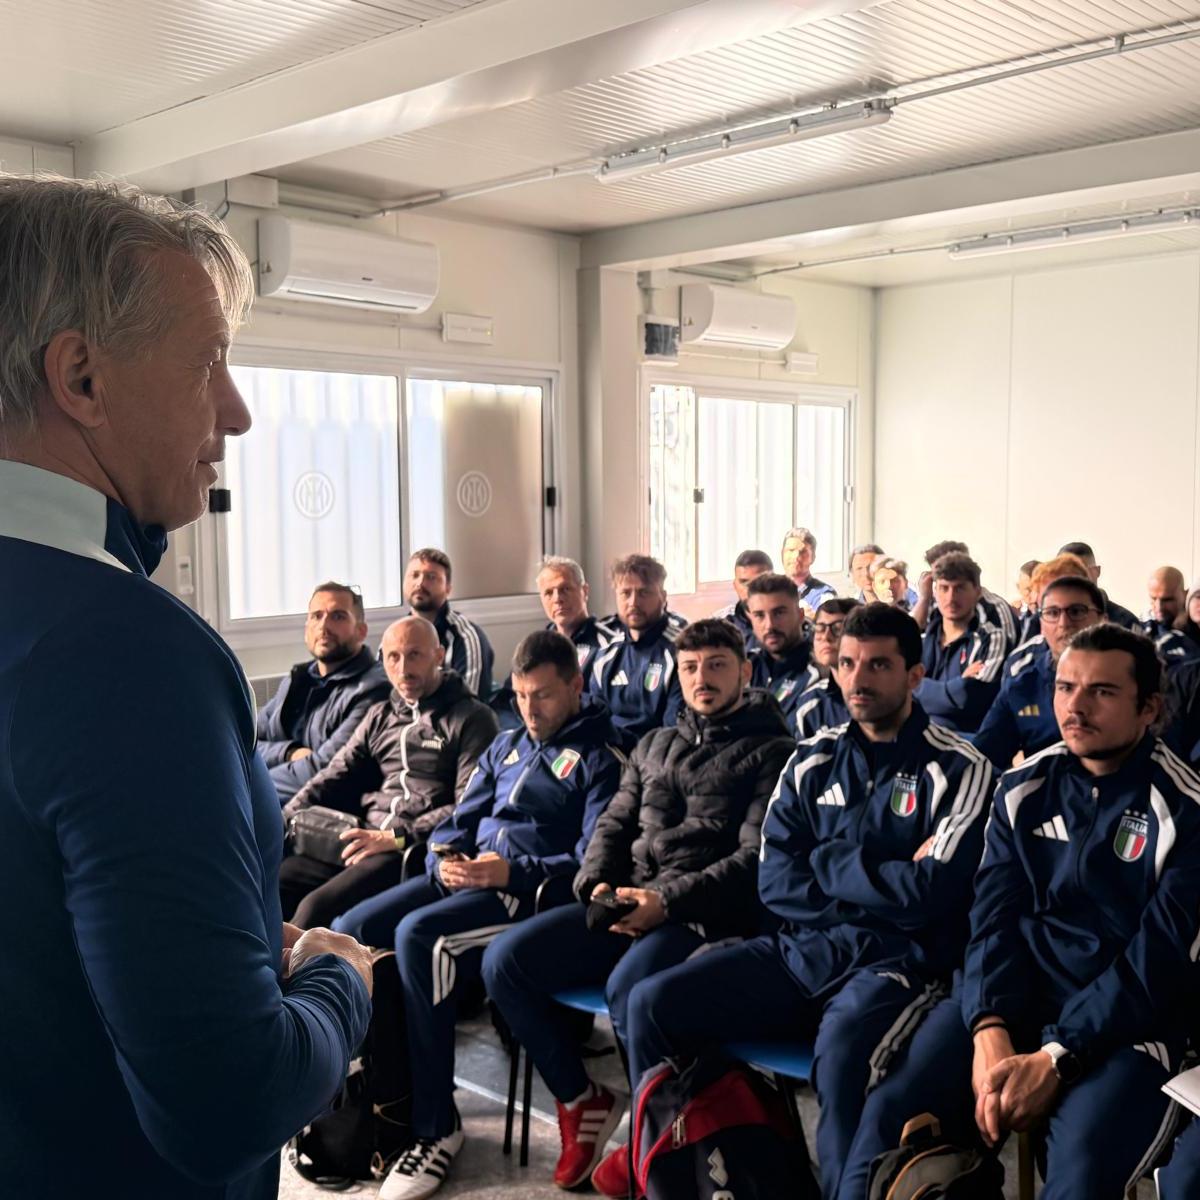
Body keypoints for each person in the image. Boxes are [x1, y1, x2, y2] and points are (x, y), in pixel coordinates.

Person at [0, 176, 372, 1199]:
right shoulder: (122, 650)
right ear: (80, 376)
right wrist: (338, 980)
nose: (238, 410)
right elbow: (226, 1103)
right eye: (209, 359)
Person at [620, 605, 995, 1200]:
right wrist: (879, 878)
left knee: (845, 1058)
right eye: (847, 663)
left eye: (878, 665)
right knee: (653, 1003)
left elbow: (932, 895)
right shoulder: (812, 757)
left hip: (893, 963)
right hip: (799, 952)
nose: (858, 679)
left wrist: (827, 860)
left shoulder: (962, 767)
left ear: (916, 674)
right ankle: (695, 1178)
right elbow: (774, 881)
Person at [840, 624, 1200, 1200]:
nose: (1074, 706)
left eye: (1102, 692)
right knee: (890, 1116)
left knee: (1082, 1163)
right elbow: (990, 921)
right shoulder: (1021, 786)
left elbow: (1155, 963)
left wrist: (1058, 1057)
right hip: (1010, 1003)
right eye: (1064, 687)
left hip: (1124, 1028)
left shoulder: (1185, 808)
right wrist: (989, 1030)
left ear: (1149, 708)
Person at [482, 619, 794, 1195]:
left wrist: (666, 901)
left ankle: (651, 1140)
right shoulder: (654, 743)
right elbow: (613, 823)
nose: (703, 678)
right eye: (691, 667)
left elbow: (753, 861)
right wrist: (595, 884)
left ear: (745, 672)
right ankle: (582, 1099)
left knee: (630, 989)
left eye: (718, 665)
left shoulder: (773, 751)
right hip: (629, 897)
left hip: (704, 912)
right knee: (506, 961)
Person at [333, 630, 625, 1199]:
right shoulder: (508, 744)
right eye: (519, 695)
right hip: (465, 876)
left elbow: (592, 863)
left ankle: (435, 1127)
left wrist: (510, 872)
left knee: (423, 938)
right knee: (354, 929)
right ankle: (389, 1097)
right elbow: (458, 818)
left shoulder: (600, 758)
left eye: (542, 695)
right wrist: (444, 857)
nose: (529, 709)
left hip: (526, 893)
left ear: (575, 686)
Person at [279, 616, 498, 928]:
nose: (404, 668)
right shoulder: (379, 715)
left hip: (408, 849)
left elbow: (468, 805)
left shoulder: (473, 718)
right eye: (394, 657)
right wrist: (285, 816)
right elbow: (335, 773)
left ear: (438, 656)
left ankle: (297, 977)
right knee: (275, 882)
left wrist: (395, 837)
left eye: (415, 655)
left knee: (315, 908)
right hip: (360, 837)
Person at [255, 581, 390, 803]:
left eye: (338, 616)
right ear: (306, 627)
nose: (324, 626)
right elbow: (248, 743)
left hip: (325, 810)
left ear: (361, 631)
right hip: (275, 802)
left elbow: (324, 769)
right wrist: (288, 752)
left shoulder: (373, 689)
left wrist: (250, 785)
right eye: (316, 616)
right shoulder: (296, 680)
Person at [973, 576, 1106, 770]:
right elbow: (984, 758)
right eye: (1052, 613)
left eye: (1076, 612)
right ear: (1041, 624)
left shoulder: (1127, 679)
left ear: (1102, 620)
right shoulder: (1023, 685)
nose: (1063, 623)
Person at [489, 555, 617, 730]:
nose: (557, 598)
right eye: (549, 593)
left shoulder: (610, 647)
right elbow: (504, 702)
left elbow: (604, 710)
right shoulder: (534, 646)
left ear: (585, 591)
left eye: (565, 589)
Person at [587, 554, 683, 748]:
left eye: (644, 593)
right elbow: (594, 720)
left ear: (663, 597)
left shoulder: (681, 651)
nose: (633, 602)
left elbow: (674, 732)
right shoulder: (605, 654)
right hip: (610, 756)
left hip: (657, 759)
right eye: (625, 593)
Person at [915, 552, 1008, 733]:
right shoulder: (924, 636)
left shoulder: (993, 638)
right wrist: (957, 685)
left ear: (977, 592)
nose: (951, 598)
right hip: (919, 738)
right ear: (935, 591)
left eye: (959, 588)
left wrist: (918, 685)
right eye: (944, 588)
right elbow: (899, 691)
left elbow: (970, 700)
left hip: (968, 743)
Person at [404, 547, 495, 699]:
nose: (420, 583)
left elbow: (471, 707)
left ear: (448, 589)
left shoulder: (466, 638)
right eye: (414, 575)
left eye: (431, 577)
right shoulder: (394, 636)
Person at [744, 571, 818, 726]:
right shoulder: (743, 667)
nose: (769, 625)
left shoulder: (819, 671)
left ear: (800, 615)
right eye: (759, 615)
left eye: (779, 613)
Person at [792, 597, 861, 738]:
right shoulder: (811, 704)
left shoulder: (887, 693)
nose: (826, 637)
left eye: (838, 629)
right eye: (819, 628)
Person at [1058, 540, 1139, 628]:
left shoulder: (1124, 621)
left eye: (1081, 572)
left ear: (1097, 571)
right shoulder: (1046, 620)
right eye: (1065, 573)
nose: (1073, 580)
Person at [712, 547, 773, 651]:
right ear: (735, 586)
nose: (751, 589)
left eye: (759, 581)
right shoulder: (718, 625)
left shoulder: (792, 620)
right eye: (744, 582)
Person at [1143, 565, 1200, 667]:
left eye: (1167, 600)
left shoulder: (1195, 623)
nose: (1159, 607)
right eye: (1153, 599)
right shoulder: (1144, 628)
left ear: (1185, 594)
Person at [781, 526, 836, 614]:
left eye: (803, 552)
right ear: (782, 554)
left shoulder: (824, 594)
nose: (796, 557)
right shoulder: (771, 590)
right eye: (791, 550)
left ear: (813, 557)